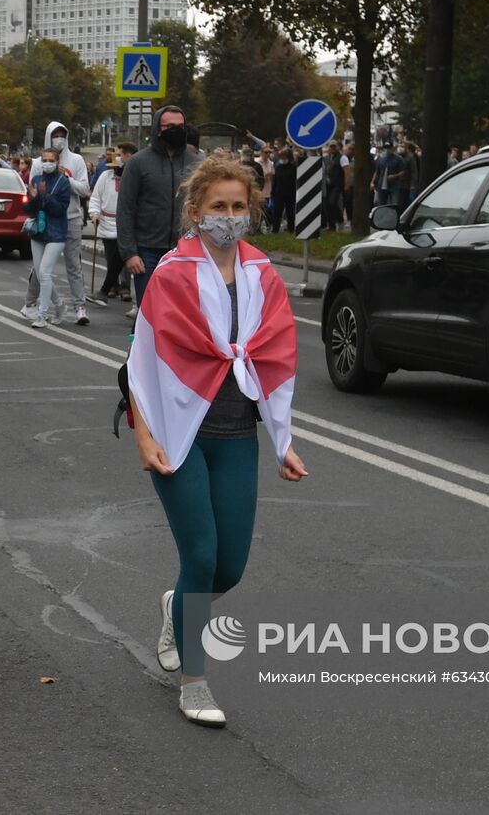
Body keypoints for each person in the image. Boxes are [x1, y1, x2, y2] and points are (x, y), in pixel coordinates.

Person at [126, 155, 307, 727]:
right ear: (195, 212)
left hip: (236, 435)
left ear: (250, 210)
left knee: (227, 569)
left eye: (237, 207)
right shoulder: (171, 275)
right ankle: (194, 681)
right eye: (217, 207)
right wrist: (144, 436)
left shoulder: (264, 276)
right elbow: (142, 362)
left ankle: (175, 606)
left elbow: (277, 359)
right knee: (200, 556)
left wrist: (284, 440)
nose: (228, 217)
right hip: (180, 435)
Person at [117, 106, 202, 307]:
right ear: (158, 129)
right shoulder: (138, 163)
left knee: (181, 313)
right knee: (149, 310)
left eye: (181, 126)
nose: (176, 130)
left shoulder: (197, 163)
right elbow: (125, 209)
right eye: (170, 126)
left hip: (186, 250)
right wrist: (130, 253)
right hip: (148, 252)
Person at [24, 122, 93, 324]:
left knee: (73, 264)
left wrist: (66, 178)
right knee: (40, 269)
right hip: (43, 221)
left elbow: (84, 189)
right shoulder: (38, 163)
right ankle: (30, 303)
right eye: (55, 135)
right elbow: (32, 193)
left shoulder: (76, 160)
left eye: (63, 135)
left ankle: (79, 307)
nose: (59, 138)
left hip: (69, 219)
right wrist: (35, 199)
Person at [24, 147, 73, 328]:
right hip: (38, 232)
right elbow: (28, 209)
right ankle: (60, 305)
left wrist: (46, 197)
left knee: (45, 272)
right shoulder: (36, 180)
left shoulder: (63, 182)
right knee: (40, 273)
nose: (47, 163)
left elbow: (60, 209)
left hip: (56, 233)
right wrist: (35, 198)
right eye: (44, 159)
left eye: (51, 160)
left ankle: (42, 315)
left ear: (57, 162)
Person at [87, 141, 136, 304]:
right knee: (111, 257)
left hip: (125, 224)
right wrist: (94, 214)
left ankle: (123, 287)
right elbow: (95, 198)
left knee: (123, 256)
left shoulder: (133, 178)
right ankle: (113, 287)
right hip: (107, 222)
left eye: (121, 155)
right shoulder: (105, 177)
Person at [271, 147, 297, 233]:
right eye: (281, 156)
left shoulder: (293, 167)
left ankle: (291, 229)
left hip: (290, 193)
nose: (282, 158)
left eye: (284, 156)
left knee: (290, 212)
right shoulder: (278, 166)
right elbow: (275, 180)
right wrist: (273, 192)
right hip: (279, 192)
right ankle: (275, 230)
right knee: (277, 212)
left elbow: (295, 180)